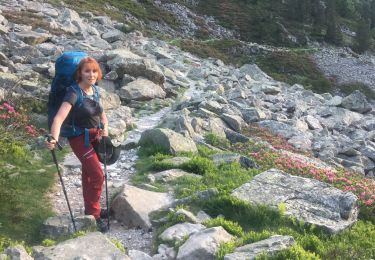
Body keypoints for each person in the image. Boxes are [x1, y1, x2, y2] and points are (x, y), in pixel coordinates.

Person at [45, 57, 109, 232]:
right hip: (79, 139)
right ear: (79, 73)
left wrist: (106, 129)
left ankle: (91, 209)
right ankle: (94, 215)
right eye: (87, 71)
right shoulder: (73, 92)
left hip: (95, 136)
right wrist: (53, 138)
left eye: (94, 71)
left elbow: (102, 114)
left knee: (89, 174)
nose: (91, 74)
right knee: (97, 175)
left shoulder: (95, 90)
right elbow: (59, 118)